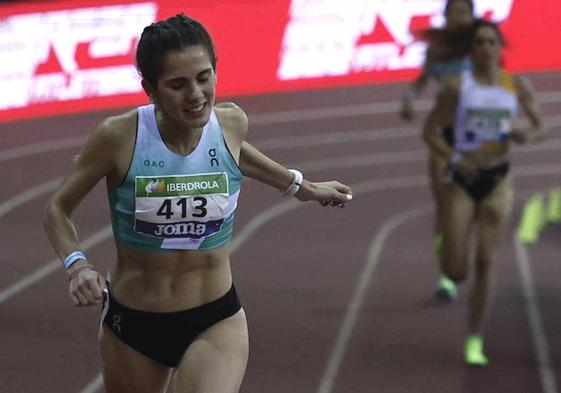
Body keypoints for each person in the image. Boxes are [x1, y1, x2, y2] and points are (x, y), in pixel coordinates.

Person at [43, 13, 353, 393]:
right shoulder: (119, 137)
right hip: (134, 323)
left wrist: (301, 186)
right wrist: (78, 266)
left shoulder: (231, 122)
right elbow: (57, 210)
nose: (196, 95)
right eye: (178, 84)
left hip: (214, 316)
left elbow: (237, 154)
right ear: (150, 88)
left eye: (204, 77)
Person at [422, 19, 545, 366]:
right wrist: (454, 159)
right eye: (480, 42)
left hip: (497, 178)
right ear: (471, 49)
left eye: (492, 42)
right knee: (458, 271)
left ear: (500, 48)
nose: (486, 48)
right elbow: (430, 132)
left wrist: (527, 135)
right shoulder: (456, 87)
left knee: (487, 260)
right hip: (463, 178)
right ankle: (445, 242)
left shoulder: (516, 85)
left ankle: (474, 338)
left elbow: (541, 126)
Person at [401, 0, 476, 301]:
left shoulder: (481, 47)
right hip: (444, 133)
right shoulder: (437, 51)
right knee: (445, 206)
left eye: (464, 12)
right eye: (454, 12)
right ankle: (447, 274)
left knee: (467, 208)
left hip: (474, 136)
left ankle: (460, 259)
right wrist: (408, 98)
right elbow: (421, 81)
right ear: (445, 16)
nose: (459, 17)